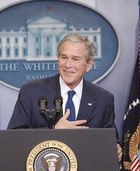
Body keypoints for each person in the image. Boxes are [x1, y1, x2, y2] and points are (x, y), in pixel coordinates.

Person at [7, 33, 122, 161]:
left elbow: (110, 138)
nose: (68, 65)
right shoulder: (31, 92)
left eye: (75, 59)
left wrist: (116, 147)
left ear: (89, 64)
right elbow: (13, 138)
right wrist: (54, 130)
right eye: (64, 57)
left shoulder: (103, 99)